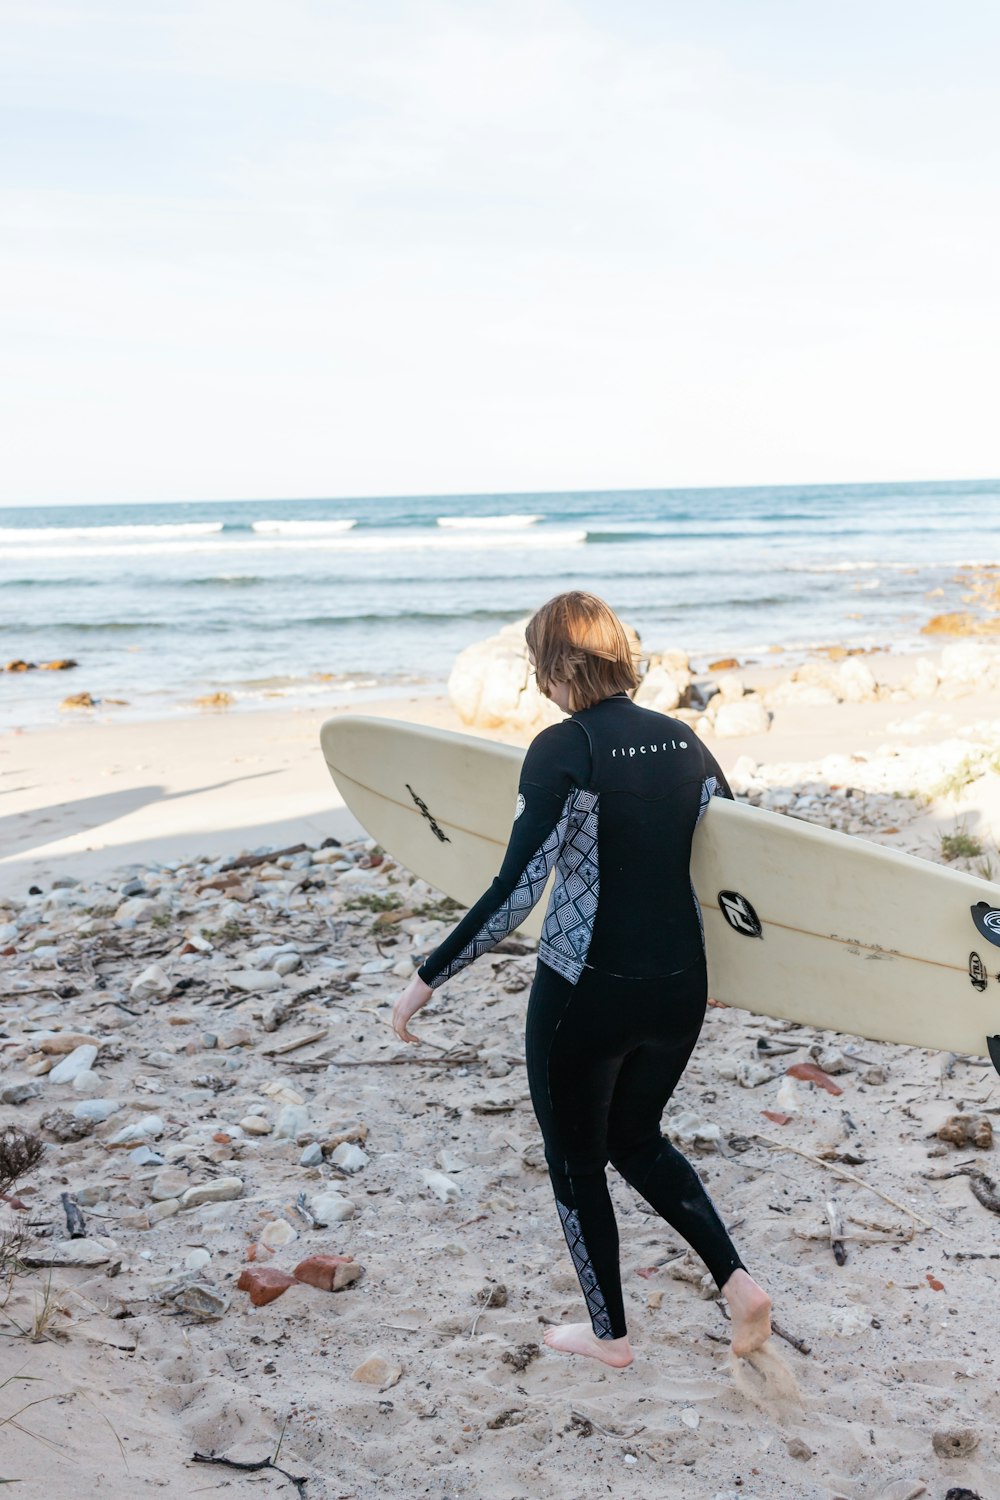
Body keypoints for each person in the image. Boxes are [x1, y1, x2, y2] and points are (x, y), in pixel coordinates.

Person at [392, 591, 772, 1369]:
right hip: (679, 987)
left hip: (587, 991)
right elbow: (734, 867)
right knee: (635, 1137)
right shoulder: (685, 740)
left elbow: (518, 888)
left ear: (555, 666)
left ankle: (610, 1336)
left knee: (574, 1161)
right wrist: (735, 977)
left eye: (540, 667)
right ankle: (738, 1284)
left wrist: (429, 976)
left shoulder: (564, 747)